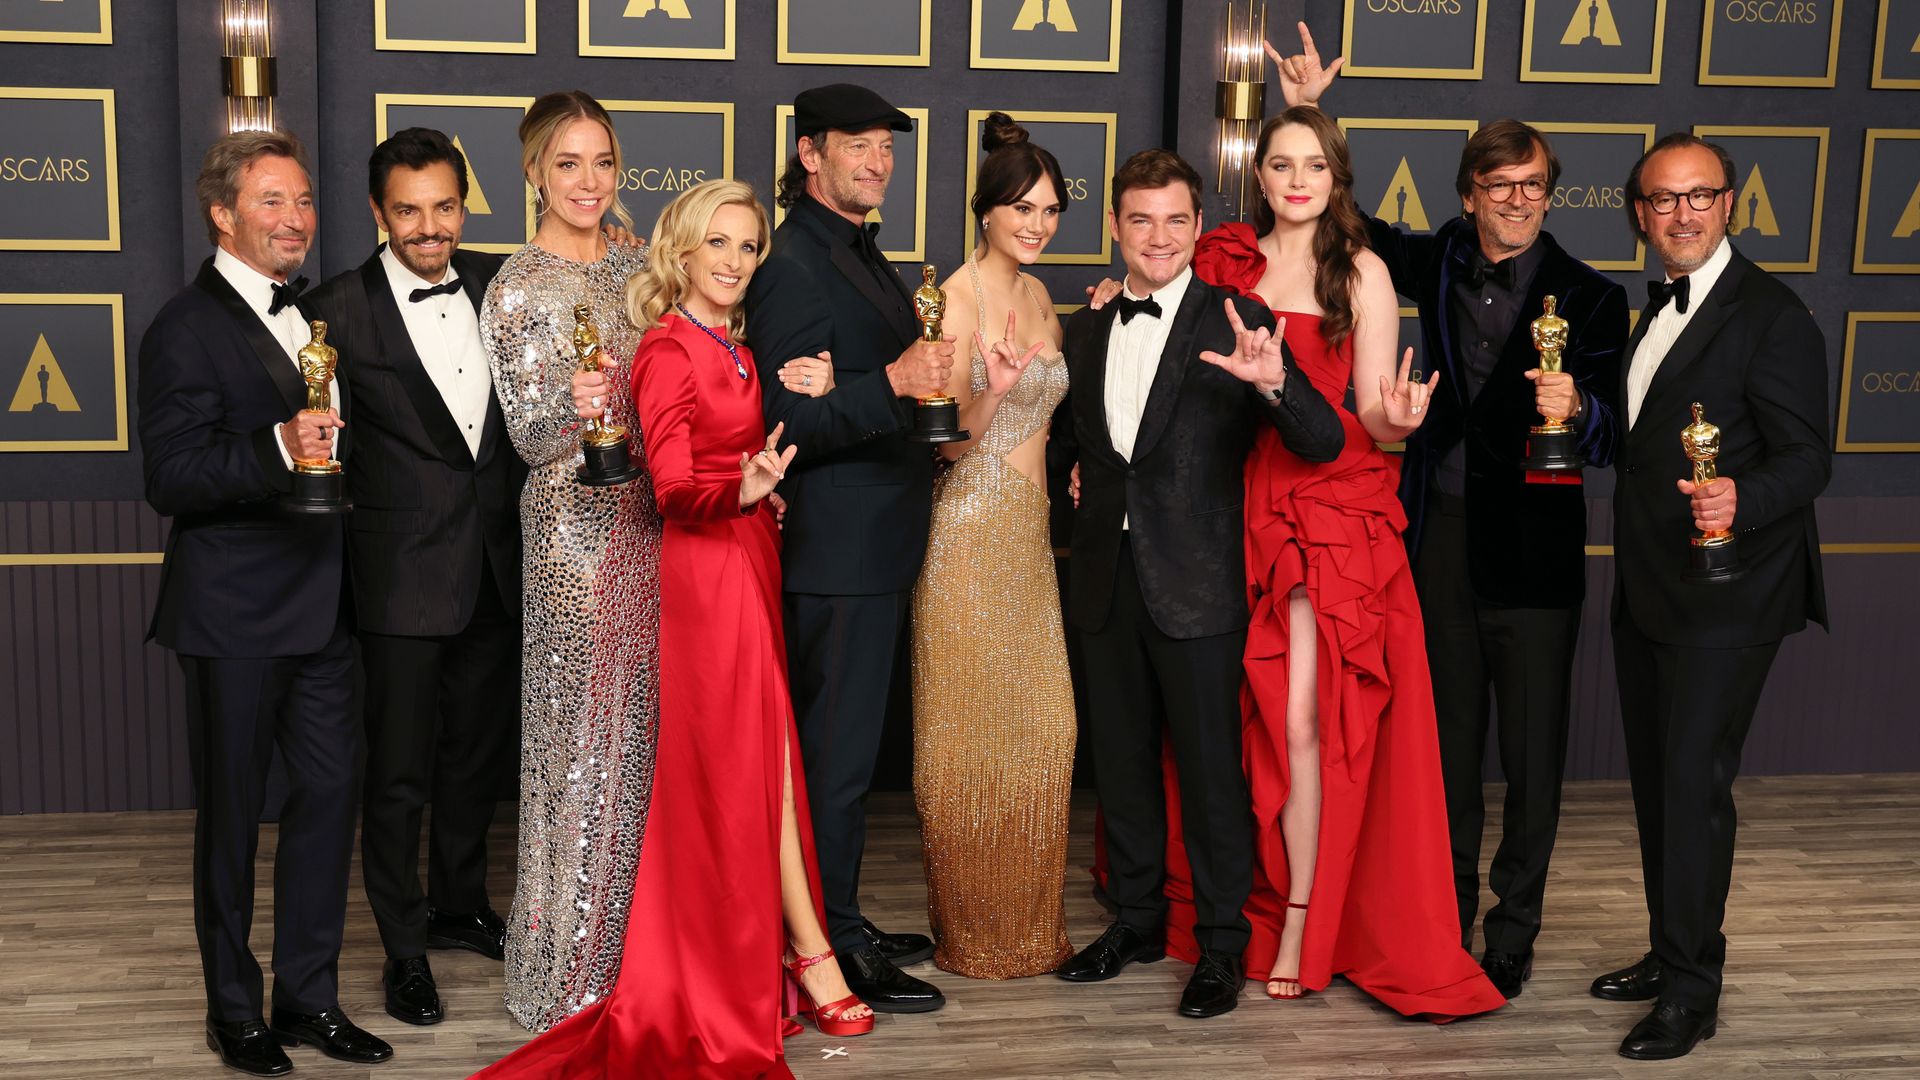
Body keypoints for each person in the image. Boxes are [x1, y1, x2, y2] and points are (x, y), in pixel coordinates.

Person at [477, 179, 867, 1079]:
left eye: (747, 248)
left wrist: (800, 405)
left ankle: (783, 958)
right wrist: (749, 488)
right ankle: (810, 957)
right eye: (717, 245)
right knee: (747, 771)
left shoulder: (730, 344)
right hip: (704, 569)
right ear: (681, 251)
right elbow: (671, 488)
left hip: (747, 560)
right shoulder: (663, 349)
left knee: (759, 761)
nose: (733, 262)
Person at [1270, 21, 1628, 999]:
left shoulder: (1592, 301)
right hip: (1436, 547)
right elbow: (1328, 206)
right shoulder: (1427, 262)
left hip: (1539, 561)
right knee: (1446, 754)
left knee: (1534, 763)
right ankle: (1447, 917)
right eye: (1498, 187)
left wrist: (1583, 409)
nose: (1517, 204)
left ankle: (1514, 927)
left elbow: (1619, 430)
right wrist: (1311, 109)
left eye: (1534, 188)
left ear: (1549, 195)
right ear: (1468, 195)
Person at [1138, 104, 1503, 1020]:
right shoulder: (1225, 259)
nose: (1298, 180)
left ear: (1337, 179)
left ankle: (1304, 914)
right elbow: (1161, 320)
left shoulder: (1364, 273)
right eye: (1281, 164)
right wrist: (1113, 300)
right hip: (1230, 506)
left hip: (1327, 507)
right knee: (1241, 718)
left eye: (1316, 165)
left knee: (1304, 718)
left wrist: (1403, 421)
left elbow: (1374, 417)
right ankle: (1242, 899)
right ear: (1257, 177)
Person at [1053, 148, 1344, 1020]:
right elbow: (1079, 446)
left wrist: (1277, 382)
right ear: (1115, 227)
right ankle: (1137, 920)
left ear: (1196, 225)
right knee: (1126, 768)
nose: (1159, 237)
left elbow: (1323, 442)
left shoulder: (1239, 317)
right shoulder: (1087, 326)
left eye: (1177, 220)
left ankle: (1221, 945)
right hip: (1106, 581)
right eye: (1141, 220)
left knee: (1214, 776)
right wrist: (1075, 477)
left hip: (1201, 587)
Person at [138, 129, 391, 1075]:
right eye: (273, 201)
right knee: (234, 818)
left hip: (326, 609)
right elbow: (171, 476)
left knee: (329, 802)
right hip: (234, 614)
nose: (296, 218)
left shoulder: (311, 316)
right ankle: (232, 1010)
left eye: (303, 201)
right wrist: (279, 447)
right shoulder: (183, 326)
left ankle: (309, 1000)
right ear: (224, 214)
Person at [1594, 132, 1829, 1060]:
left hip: (1731, 598)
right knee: (1659, 788)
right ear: (1640, 214)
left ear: (1729, 203)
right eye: (1662, 199)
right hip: (1651, 587)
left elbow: (1811, 458)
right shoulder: (1651, 313)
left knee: (1693, 790)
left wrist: (1743, 494)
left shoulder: (1772, 315)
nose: (1682, 214)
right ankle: (1670, 950)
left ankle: (1692, 991)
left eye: (1700, 196)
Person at [743, 82, 956, 1014]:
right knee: (833, 760)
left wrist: (889, 390)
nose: (877, 162)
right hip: (836, 548)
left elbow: (854, 389)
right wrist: (895, 381)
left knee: (849, 757)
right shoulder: (793, 261)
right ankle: (826, 942)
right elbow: (787, 420)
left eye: (886, 148)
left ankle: (840, 915)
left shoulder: (863, 253)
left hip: (878, 541)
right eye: (857, 146)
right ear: (810, 155)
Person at [303, 127, 522, 1028]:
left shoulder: (501, 285)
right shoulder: (333, 310)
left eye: (444, 207)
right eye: (408, 211)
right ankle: (402, 950)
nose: (430, 228)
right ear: (376, 213)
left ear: (463, 205)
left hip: (498, 568)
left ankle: (460, 904)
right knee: (397, 776)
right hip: (396, 578)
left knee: (475, 759)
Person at [480, 90, 658, 1033]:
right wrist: (576, 408)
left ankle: (645, 959)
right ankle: (566, 968)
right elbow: (529, 433)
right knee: (577, 750)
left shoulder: (643, 271)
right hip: (570, 534)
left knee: (645, 746)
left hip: (655, 527)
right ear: (534, 173)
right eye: (568, 164)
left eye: (601, 163)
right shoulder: (515, 285)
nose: (587, 182)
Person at [909, 113, 1075, 980]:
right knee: (966, 745)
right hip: (970, 534)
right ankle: (974, 934)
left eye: (1050, 209)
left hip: (1031, 539)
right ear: (986, 212)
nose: (1039, 224)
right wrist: (993, 393)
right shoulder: (957, 296)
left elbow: (1052, 418)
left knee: (1046, 735)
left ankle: (1029, 927)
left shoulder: (1042, 297)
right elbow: (944, 441)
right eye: (1022, 208)